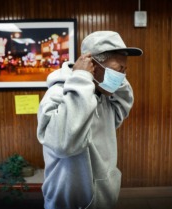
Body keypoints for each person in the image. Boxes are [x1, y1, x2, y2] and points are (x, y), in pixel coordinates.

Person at [37, 31, 143, 209]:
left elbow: (124, 104)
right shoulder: (57, 94)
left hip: (104, 198)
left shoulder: (104, 96)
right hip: (66, 203)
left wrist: (116, 76)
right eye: (119, 70)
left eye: (125, 70)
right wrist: (80, 79)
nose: (122, 78)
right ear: (92, 65)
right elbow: (64, 144)